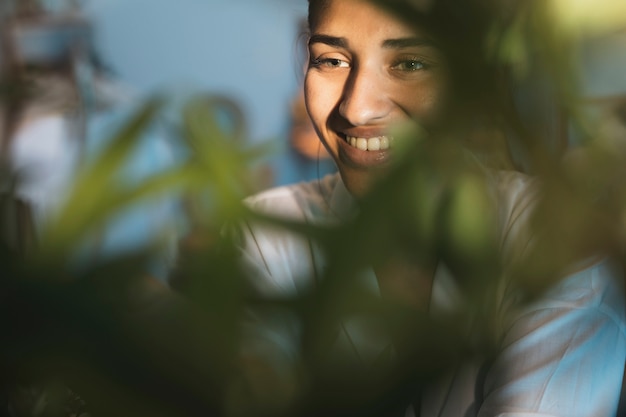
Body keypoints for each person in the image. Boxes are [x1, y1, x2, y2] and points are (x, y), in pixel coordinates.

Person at [235, 0, 626, 416]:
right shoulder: (263, 233)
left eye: (410, 63)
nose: (357, 109)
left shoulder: (559, 248)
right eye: (331, 60)